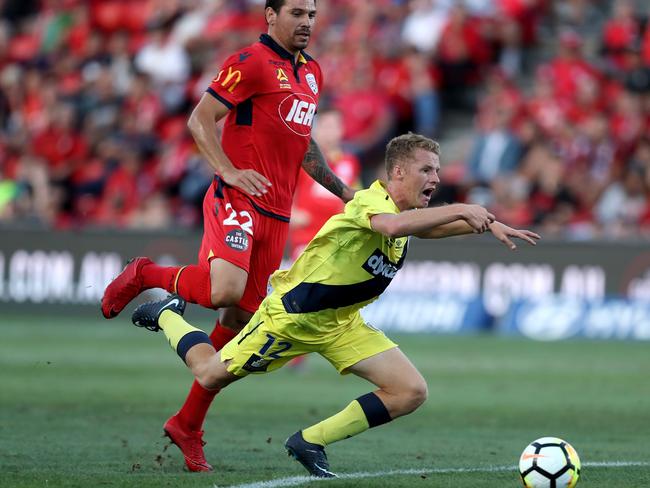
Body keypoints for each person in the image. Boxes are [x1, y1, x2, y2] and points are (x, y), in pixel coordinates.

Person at [127, 133, 540, 477]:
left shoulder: (407, 212)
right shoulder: (372, 204)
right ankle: (164, 312)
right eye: (426, 169)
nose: (435, 177)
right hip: (293, 318)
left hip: (341, 323)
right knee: (209, 373)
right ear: (397, 172)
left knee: (409, 390)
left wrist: (483, 224)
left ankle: (309, 442)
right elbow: (392, 226)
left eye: (436, 169)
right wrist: (465, 208)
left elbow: (427, 230)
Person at [100, 0, 355, 472]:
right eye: (296, 12)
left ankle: (187, 424)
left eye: (312, 14)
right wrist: (228, 171)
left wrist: (345, 192)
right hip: (238, 199)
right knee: (225, 291)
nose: (306, 22)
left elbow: (302, 142)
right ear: (270, 16)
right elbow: (200, 120)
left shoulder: (312, 72)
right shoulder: (250, 62)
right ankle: (146, 274)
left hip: (277, 214)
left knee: (240, 325)